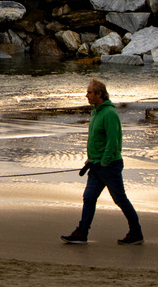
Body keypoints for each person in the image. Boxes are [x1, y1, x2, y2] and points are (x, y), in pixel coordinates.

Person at [61, 78, 143, 245]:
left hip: (109, 166)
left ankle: (136, 232)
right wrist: (91, 159)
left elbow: (114, 142)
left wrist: (104, 162)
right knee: (89, 198)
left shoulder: (110, 114)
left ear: (99, 94)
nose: (87, 95)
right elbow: (96, 140)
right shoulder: (96, 112)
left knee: (120, 199)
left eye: (90, 92)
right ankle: (81, 232)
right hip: (96, 165)